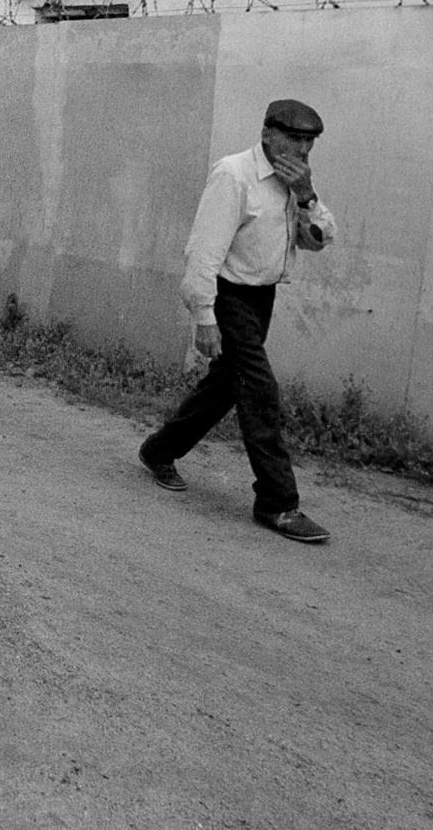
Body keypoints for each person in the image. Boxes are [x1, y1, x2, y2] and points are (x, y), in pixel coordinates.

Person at [139, 98, 337, 544]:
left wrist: (306, 197)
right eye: (293, 138)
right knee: (260, 391)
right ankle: (277, 502)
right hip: (228, 296)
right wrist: (205, 316)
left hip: (260, 297)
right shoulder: (234, 175)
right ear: (267, 133)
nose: (302, 150)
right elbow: (203, 251)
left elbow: (318, 242)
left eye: (309, 142)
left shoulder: (293, 183)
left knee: (226, 386)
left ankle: (159, 450)